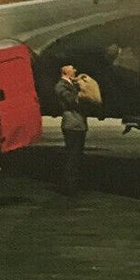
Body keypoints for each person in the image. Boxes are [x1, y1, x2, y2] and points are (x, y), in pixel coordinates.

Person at [54, 63, 89, 197]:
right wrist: (83, 91)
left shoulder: (70, 84)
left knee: (76, 155)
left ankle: (72, 184)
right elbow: (71, 101)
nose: (75, 70)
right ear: (65, 71)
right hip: (72, 124)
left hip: (78, 124)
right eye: (72, 68)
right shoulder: (61, 86)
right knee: (72, 156)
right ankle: (69, 186)